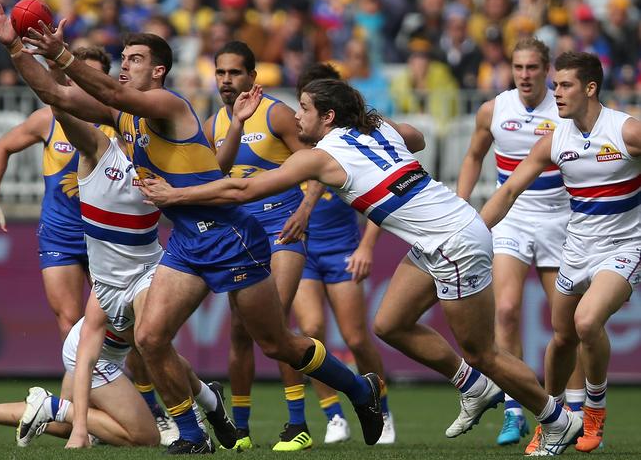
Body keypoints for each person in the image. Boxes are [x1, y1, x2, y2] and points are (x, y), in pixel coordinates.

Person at [0, 0, 384, 454]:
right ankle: (193, 436)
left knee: (277, 344)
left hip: (230, 236)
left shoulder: (168, 104)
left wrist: (61, 54)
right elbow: (58, 96)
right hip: (186, 241)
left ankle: (359, 391)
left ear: (158, 71)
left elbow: (112, 94)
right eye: (123, 59)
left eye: (135, 60)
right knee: (150, 337)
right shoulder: (127, 117)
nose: (125, 67)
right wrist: (17, 49)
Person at [140, 78, 583, 456]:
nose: (297, 118)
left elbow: (241, 191)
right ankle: (474, 388)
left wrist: (174, 197)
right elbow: (419, 138)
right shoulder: (376, 129)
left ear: (328, 118)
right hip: (446, 232)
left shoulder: (320, 157)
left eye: (306, 110)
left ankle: (556, 419)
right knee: (389, 324)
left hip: (452, 243)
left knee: (483, 351)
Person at [480, 51, 641, 455]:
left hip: (624, 246)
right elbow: (510, 190)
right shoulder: (555, 139)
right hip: (577, 247)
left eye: (564, 85)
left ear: (590, 88)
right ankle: (551, 420)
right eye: (556, 85)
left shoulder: (626, 131)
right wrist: (471, 232)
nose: (557, 92)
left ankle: (594, 411)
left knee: (587, 322)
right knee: (563, 337)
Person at [457, 37, 586, 447]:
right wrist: (462, 207)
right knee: (507, 310)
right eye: (518, 68)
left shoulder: (564, 109)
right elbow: (474, 155)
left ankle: (578, 413)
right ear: (510, 70)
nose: (525, 75)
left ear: (547, 70)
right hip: (510, 218)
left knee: (566, 326)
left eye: (533, 68)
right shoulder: (494, 109)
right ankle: (514, 409)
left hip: (559, 219)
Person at [204, 41, 323, 451]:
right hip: (240, 234)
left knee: (274, 322)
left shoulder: (276, 113)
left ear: (253, 77)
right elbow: (211, 176)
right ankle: (240, 429)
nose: (226, 80)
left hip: (283, 227)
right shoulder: (213, 123)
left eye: (235, 72)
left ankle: (297, 424)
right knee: (239, 331)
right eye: (221, 73)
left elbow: (319, 162)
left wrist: (306, 209)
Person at [290, 62, 395, 445]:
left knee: (355, 337)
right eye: (299, 103)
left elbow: (384, 194)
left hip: (342, 249)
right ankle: (333, 414)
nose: (300, 114)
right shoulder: (293, 137)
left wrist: (367, 246)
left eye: (306, 106)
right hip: (303, 252)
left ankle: (381, 408)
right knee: (311, 332)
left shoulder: (348, 144)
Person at [0, 46, 113, 340]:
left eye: (92, 77)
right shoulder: (47, 120)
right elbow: (2, 147)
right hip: (60, 232)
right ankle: (83, 387)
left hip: (106, 234)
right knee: (69, 323)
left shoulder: (118, 122)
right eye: (78, 76)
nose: (83, 83)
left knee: (121, 325)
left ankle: (142, 388)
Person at [0, 317, 159, 447]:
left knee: (65, 425)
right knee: (145, 438)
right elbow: (146, 340)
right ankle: (51, 406)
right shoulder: (151, 276)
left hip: (86, 341)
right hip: (94, 351)